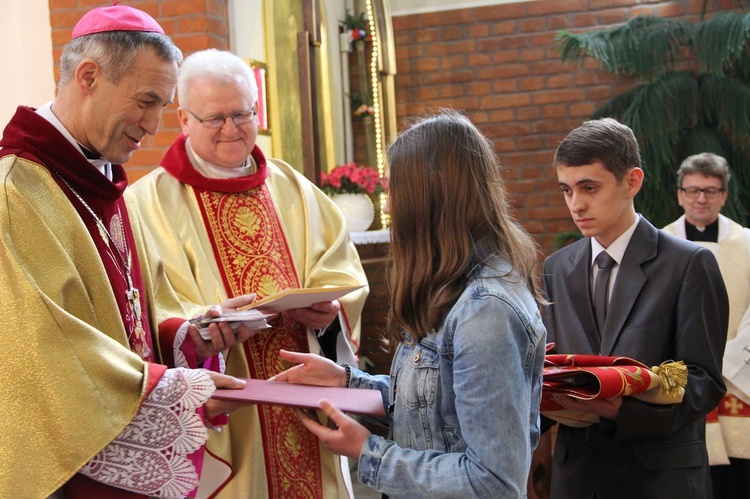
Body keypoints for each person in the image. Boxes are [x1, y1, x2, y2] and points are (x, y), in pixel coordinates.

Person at [0, 5, 257, 498]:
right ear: (89, 76)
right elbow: (43, 351)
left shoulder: (103, 183)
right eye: (146, 100)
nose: (154, 123)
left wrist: (189, 334)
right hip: (67, 469)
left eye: (163, 104)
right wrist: (180, 390)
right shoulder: (17, 193)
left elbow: (138, 312)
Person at [126, 49, 369, 498]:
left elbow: (341, 268)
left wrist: (330, 311)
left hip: (304, 393)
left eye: (242, 113)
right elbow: (142, 302)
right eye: (215, 118)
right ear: (183, 119)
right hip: (228, 409)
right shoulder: (147, 204)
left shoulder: (294, 188)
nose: (232, 129)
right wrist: (195, 330)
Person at [271, 110, 547, 498]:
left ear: (427, 201)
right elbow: (436, 406)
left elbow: (494, 482)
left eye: (395, 193)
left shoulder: (485, 311)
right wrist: (347, 382)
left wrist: (369, 452)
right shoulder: (450, 285)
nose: (389, 210)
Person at [542, 118, 728, 498]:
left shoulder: (688, 264)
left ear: (632, 182)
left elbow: (704, 382)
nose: (576, 205)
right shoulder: (556, 268)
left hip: (659, 480)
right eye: (567, 190)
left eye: (589, 188)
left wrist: (621, 411)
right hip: (578, 478)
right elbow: (551, 363)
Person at [662, 152, 750, 498]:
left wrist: (727, 361)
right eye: (693, 190)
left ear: (724, 195)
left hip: (740, 381)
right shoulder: (660, 243)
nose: (701, 198)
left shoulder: (747, 244)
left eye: (711, 191)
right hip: (684, 380)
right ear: (680, 194)